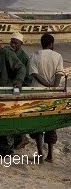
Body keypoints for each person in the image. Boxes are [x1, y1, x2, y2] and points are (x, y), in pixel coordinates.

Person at [29, 33, 65, 163]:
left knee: (37, 122)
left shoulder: (34, 55)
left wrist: (45, 85)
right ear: (51, 44)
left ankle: (39, 154)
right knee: (51, 123)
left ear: (42, 43)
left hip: (37, 93)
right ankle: (50, 154)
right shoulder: (58, 56)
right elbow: (59, 75)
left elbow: (34, 74)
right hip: (53, 94)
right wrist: (53, 87)